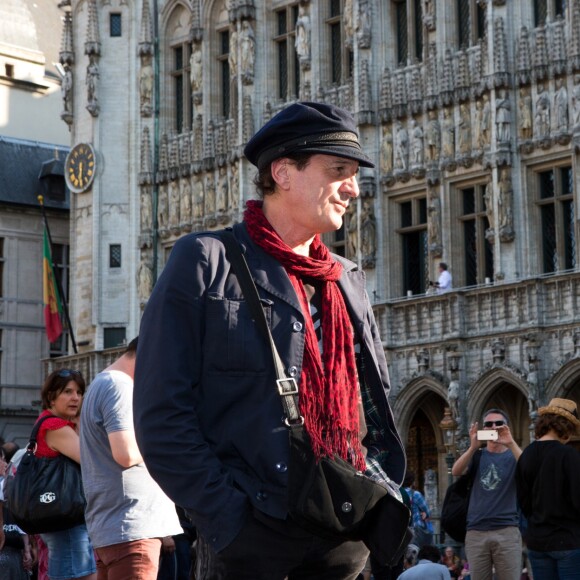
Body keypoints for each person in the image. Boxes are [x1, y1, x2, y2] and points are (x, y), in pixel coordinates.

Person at [133, 101, 406, 580]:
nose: (354, 188)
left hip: (343, 542)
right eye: (338, 170)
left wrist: (375, 495)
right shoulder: (206, 262)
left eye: (354, 173)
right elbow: (161, 415)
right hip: (252, 540)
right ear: (283, 172)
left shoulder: (347, 280)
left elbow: (373, 405)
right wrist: (228, 520)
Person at [79, 338, 182, 579]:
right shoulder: (120, 386)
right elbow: (125, 454)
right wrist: (164, 438)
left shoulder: (104, 382)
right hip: (131, 528)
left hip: (118, 527)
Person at [36, 369, 97, 580]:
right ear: (51, 396)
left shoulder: (50, 423)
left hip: (58, 515)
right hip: (66, 516)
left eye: (79, 392)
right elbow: (92, 461)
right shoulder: (55, 426)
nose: (76, 398)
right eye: (67, 392)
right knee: (81, 574)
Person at [451, 409, 522, 580]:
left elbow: (530, 468)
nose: (494, 427)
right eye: (489, 424)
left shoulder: (513, 456)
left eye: (499, 423)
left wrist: (511, 442)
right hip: (476, 531)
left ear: (507, 427)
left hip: (507, 530)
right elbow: (456, 471)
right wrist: (472, 447)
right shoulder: (477, 456)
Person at [516, 398, 580, 578]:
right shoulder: (568, 454)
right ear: (565, 426)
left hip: (537, 541)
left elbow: (523, 502)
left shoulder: (526, 455)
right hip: (567, 540)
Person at [403, 472, 433, 548]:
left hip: (401, 530)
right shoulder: (415, 494)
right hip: (415, 529)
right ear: (412, 482)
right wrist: (423, 513)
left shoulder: (396, 493)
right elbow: (428, 512)